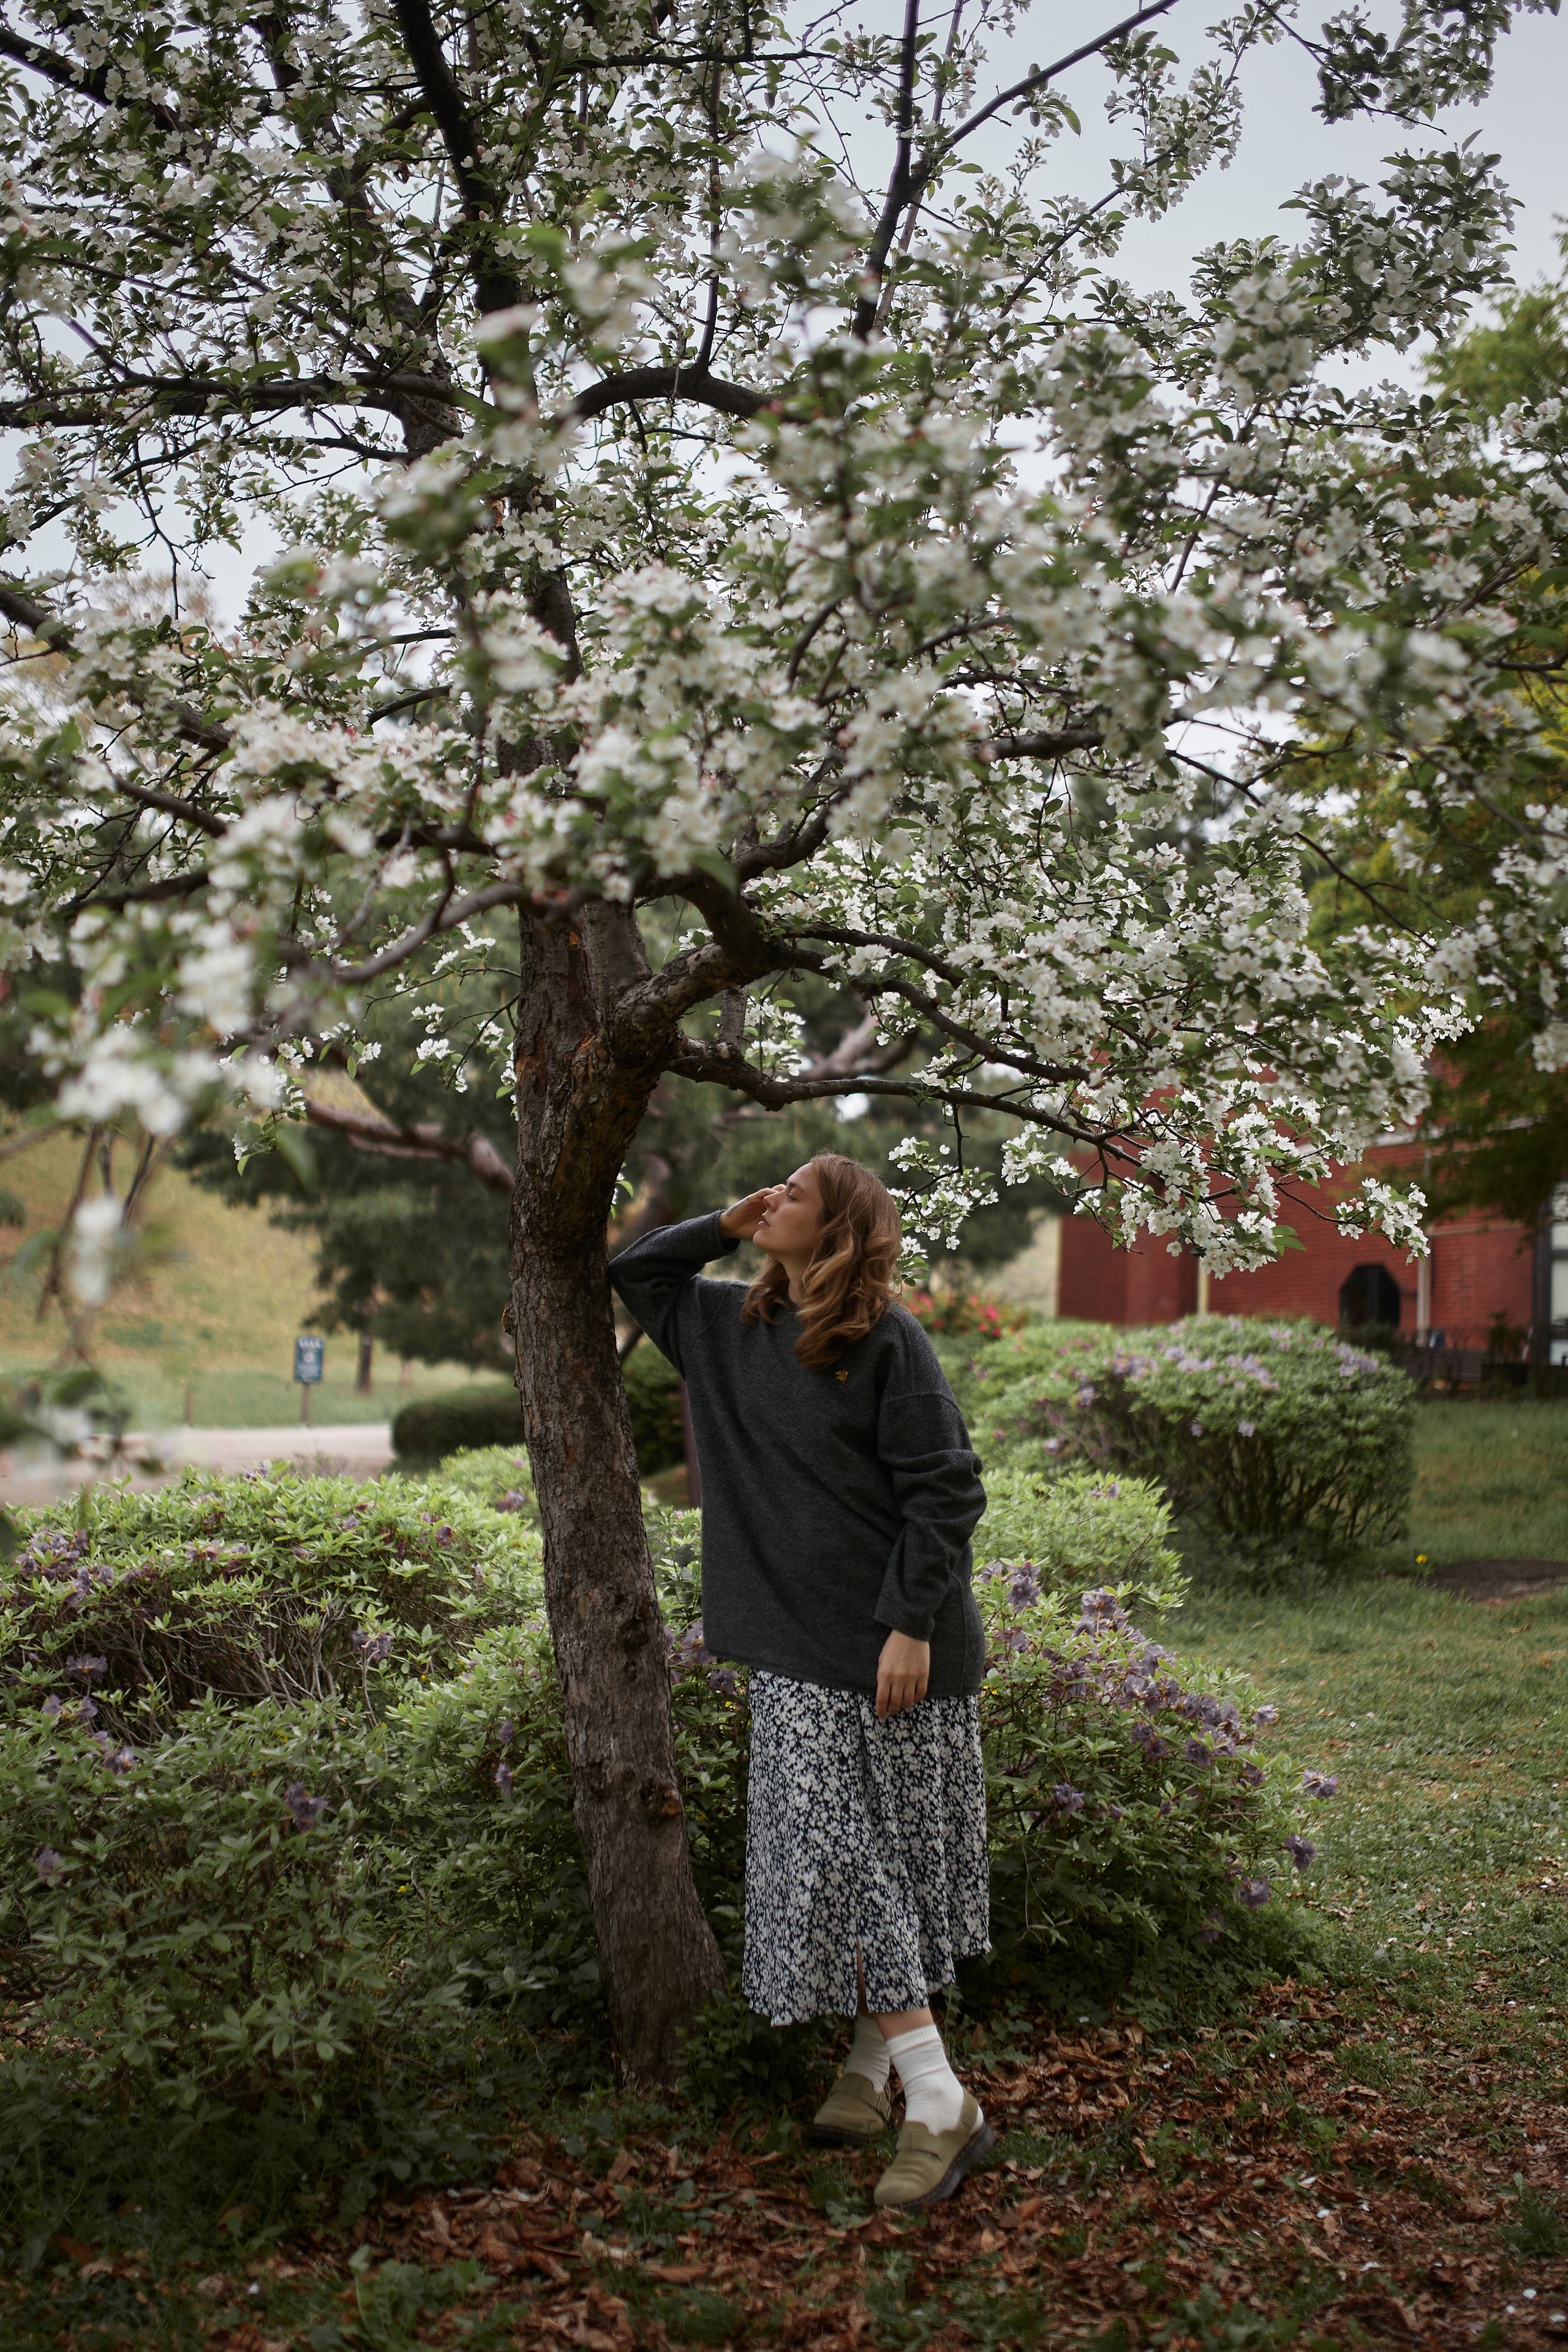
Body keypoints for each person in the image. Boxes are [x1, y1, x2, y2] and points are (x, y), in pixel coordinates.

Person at [609, 1152, 993, 2211]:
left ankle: (896, 2083)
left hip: (898, 1651)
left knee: (892, 1860)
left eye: (793, 1195)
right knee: (842, 1852)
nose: (770, 1196)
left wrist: (911, 1626)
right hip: (792, 1644)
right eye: (769, 1188)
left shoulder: (885, 1340)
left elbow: (948, 1490)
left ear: (837, 1230)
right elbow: (636, 1273)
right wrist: (720, 1224)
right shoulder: (725, 1326)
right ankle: (921, 2086)